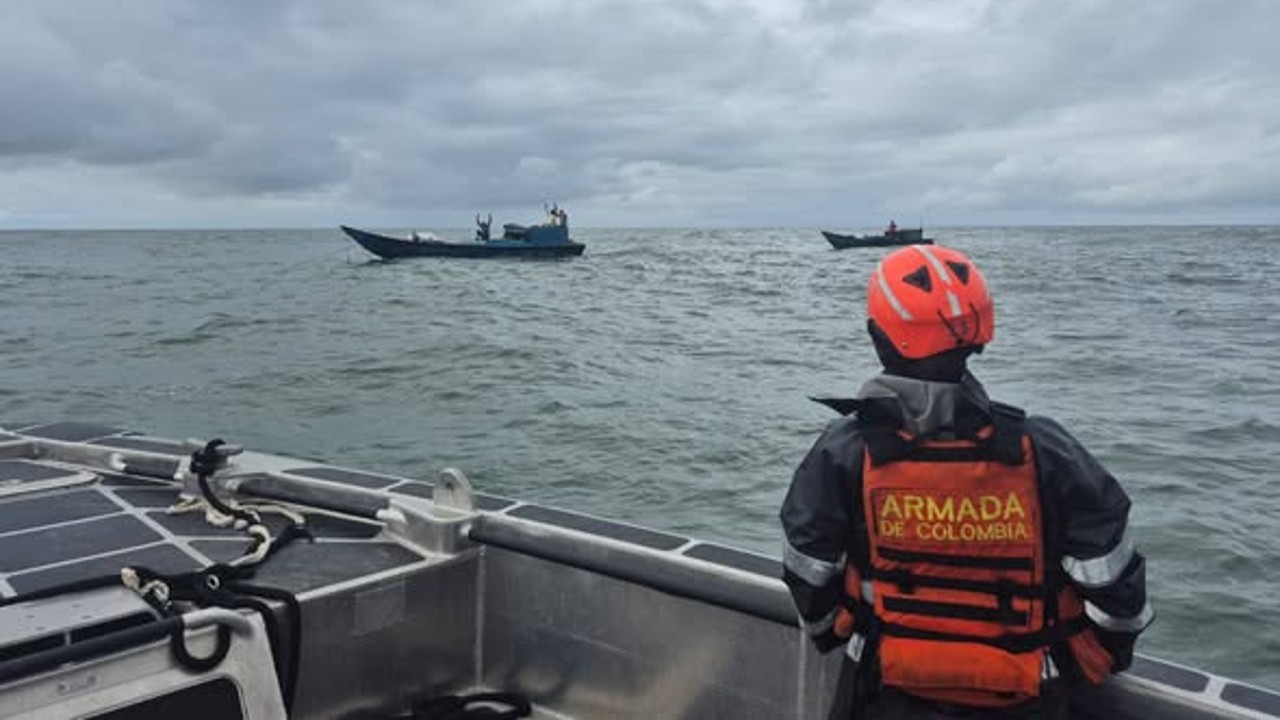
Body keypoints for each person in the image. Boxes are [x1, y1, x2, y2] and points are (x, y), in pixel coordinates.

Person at [780, 244, 1151, 719]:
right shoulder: (1045, 450)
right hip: (1031, 698)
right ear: (978, 336)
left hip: (886, 694)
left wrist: (842, 631)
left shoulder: (843, 452)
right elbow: (1117, 592)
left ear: (878, 337)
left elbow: (810, 579)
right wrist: (1086, 656)